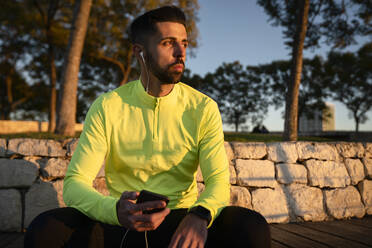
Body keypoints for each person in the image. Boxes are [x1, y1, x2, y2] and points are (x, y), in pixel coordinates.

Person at [25, 6, 271, 248]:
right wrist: (115, 210)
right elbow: (75, 182)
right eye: (168, 43)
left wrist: (200, 215)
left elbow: (218, 181)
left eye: (184, 43)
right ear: (139, 52)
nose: (180, 52)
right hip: (123, 222)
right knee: (45, 229)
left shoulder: (203, 108)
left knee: (251, 227)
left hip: (181, 221)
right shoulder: (107, 106)